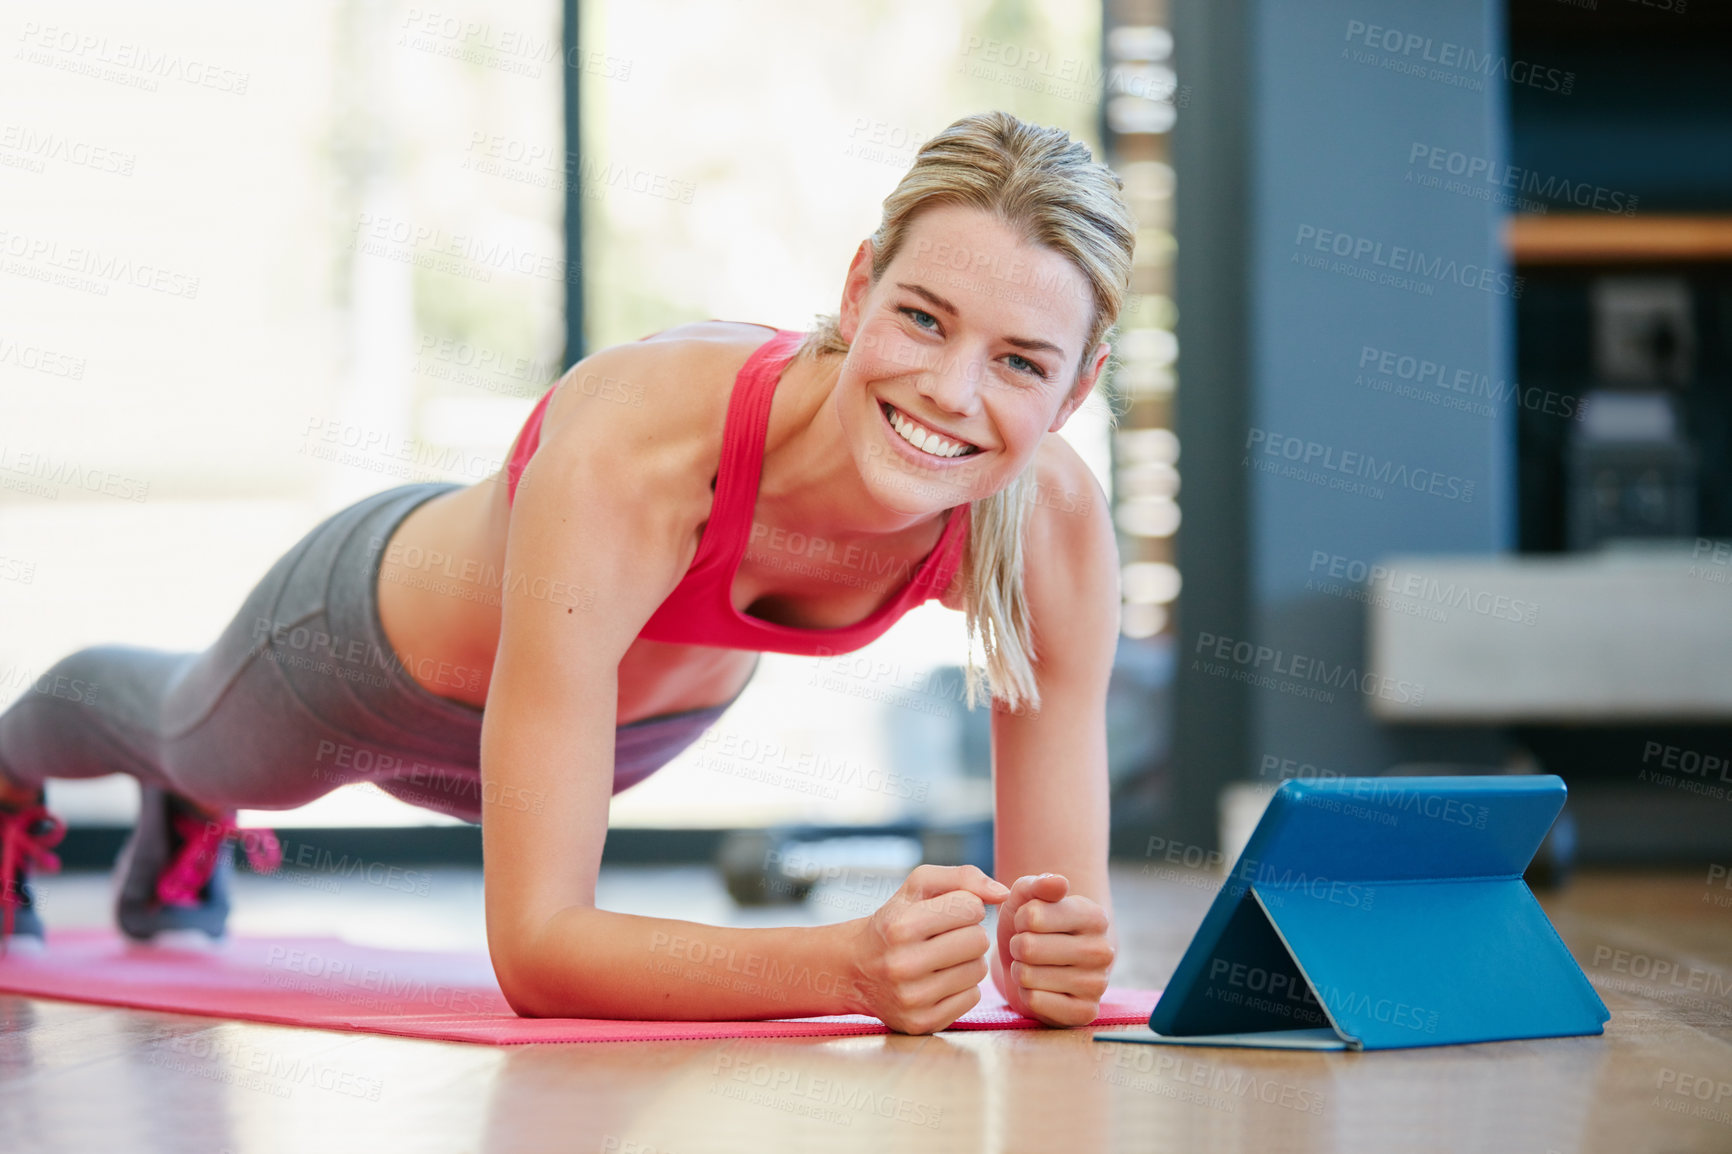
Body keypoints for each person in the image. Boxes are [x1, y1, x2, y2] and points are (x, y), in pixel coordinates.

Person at [0, 110, 1133, 1034]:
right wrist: (845, 963)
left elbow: (1054, 934)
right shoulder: (637, 441)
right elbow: (538, 951)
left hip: (608, 737)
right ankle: (21, 765)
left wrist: (1055, 959)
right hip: (360, 661)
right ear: (856, 290)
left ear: (1073, 392)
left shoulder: (1053, 526)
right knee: (186, 729)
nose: (950, 389)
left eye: (1019, 361)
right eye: (923, 319)